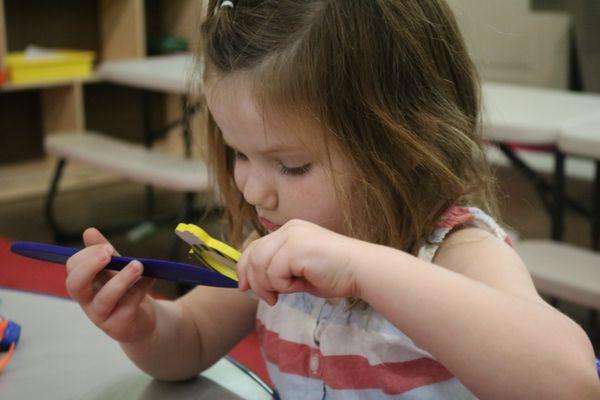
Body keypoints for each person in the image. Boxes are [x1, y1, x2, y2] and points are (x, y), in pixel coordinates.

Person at [65, 1, 600, 398]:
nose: (252, 188)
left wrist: (365, 268)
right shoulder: (271, 244)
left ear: (408, 142)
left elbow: (570, 384)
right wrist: (145, 327)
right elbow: (194, 340)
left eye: (291, 164)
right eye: (239, 154)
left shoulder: (456, 252)